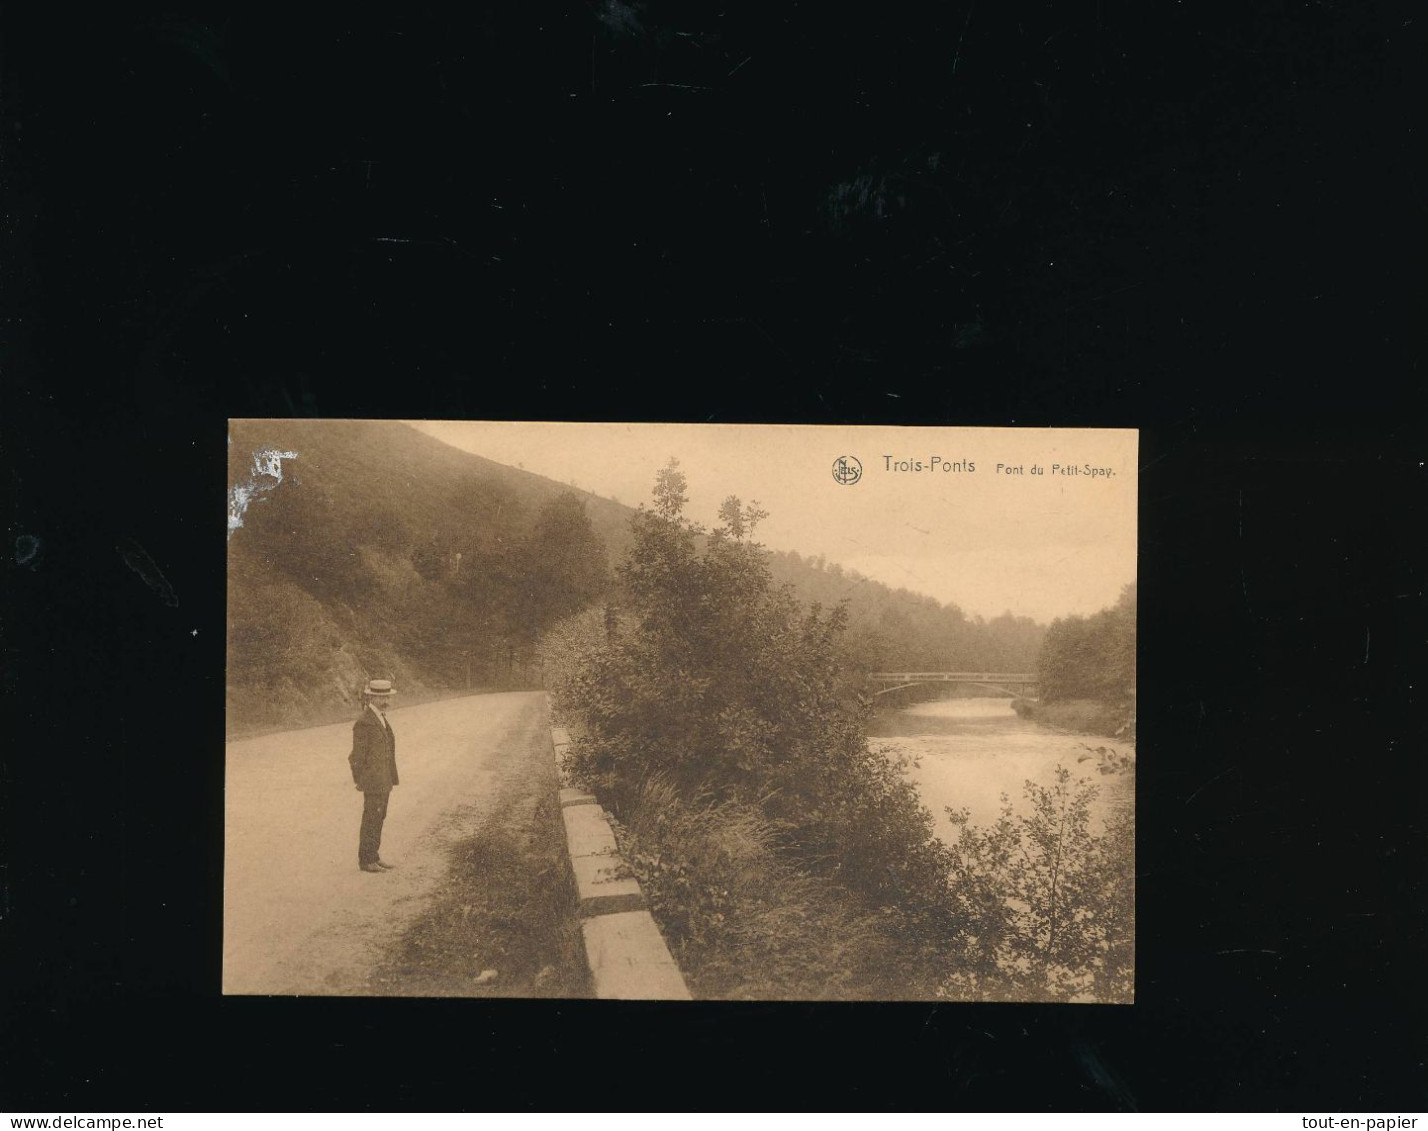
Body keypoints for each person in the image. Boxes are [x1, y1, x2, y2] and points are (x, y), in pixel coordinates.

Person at [349, 678, 400, 873]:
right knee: (372, 817)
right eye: (380, 697)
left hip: (383, 779)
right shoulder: (364, 722)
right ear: (371, 697)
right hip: (373, 781)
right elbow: (356, 757)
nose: (385, 701)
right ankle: (366, 860)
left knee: (379, 817)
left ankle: (374, 856)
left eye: (387, 696)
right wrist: (361, 780)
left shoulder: (380, 718)